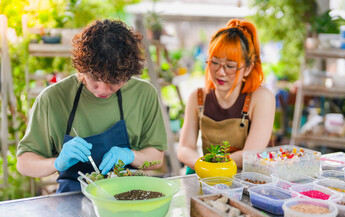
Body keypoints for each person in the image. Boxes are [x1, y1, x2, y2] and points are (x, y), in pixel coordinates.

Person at [16, 19, 167, 192]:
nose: (103, 89)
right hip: (72, 199)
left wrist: (131, 155)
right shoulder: (52, 99)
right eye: (94, 77)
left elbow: (156, 158)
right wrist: (57, 162)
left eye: (115, 81)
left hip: (128, 196)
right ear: (82, 67)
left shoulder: (144, 94)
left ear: (128, 74)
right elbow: (24, 163)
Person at [177, 19, 275, 174]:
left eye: (230, 66)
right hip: (211, 177)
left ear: (248, 68)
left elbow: (251, 154)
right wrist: (204, 166)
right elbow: (184, 148)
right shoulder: (197, 97)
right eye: (214, 63)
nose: (220, 72)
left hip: (251, 181)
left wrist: (212, 165)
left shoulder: (261, 98)